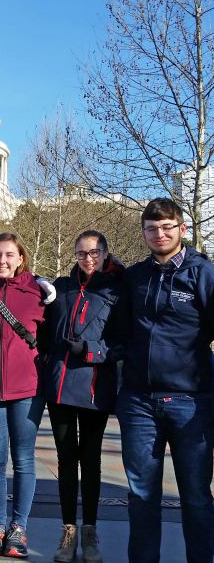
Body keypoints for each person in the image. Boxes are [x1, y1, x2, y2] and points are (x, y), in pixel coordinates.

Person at [117, 198, 214, 563]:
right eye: (152, 228)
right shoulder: (135, 277)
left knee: (196, 496)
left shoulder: (202, 274)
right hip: (140, 402)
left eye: (167, 227)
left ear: (181, 230)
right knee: (142, 496)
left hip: (191, 402)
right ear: (143, 233)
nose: (160, 234)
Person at [42, 230, 123, 563]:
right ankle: (68, 529)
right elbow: (42, 326)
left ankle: (89, 530)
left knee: (90, 461)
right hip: (60, 387)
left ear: (105, 252)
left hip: (94, 385)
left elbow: (123, 342)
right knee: (65, 459)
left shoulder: (116, 290)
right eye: (81, 253)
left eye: (94, 252)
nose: (88, 258)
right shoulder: (61, 287)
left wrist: (92, 350)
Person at [0, 232, 46, 559]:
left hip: (27, 389)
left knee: (24, 459)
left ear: (20, 258)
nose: (2, 260)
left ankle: (19, 528)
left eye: (9, 255)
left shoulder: (38, 293)